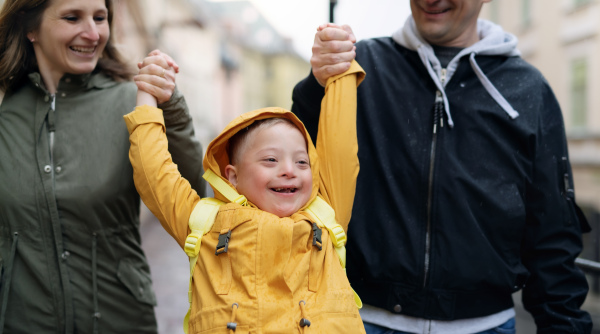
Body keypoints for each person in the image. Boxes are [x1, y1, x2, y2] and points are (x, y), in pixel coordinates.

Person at [291, 1, 592, 333]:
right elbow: (300, 166)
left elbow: (551, 230)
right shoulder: (359, 65)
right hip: (361, 318)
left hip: (486, 325)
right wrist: (317, 85)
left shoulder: (528, 88)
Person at [0, 0, 205, 333]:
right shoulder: (5, 113)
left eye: (100, 17)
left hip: (120, 321)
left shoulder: (133, 101)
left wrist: (172, 110)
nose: (93, 33)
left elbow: (195, 201)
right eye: (72, 17)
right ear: (30, 27)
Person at [124, 60, 366, 332]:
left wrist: (340, 72)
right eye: (271, 159)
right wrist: (147, 95)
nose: (289, 171)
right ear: (233, 176)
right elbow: (154, 174)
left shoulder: (327, 213)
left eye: (302, 162)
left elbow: (341, 147)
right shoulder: (206, 225)